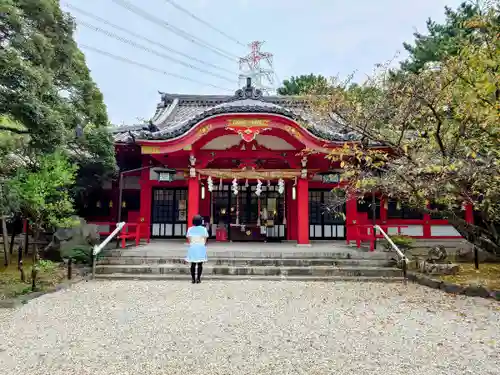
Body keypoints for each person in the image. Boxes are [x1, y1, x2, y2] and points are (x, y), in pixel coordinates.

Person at [186, 214, 208, 284]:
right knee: (200, 264)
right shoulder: (203, 229)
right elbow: (205, 239)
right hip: (201, 247)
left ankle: (193, 279)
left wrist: (192, 244)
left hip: (193, 247)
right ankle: (198, 279)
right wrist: (202, 244)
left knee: (193, 264)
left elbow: (189, 239)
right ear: (201, 221)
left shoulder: (190, 229)